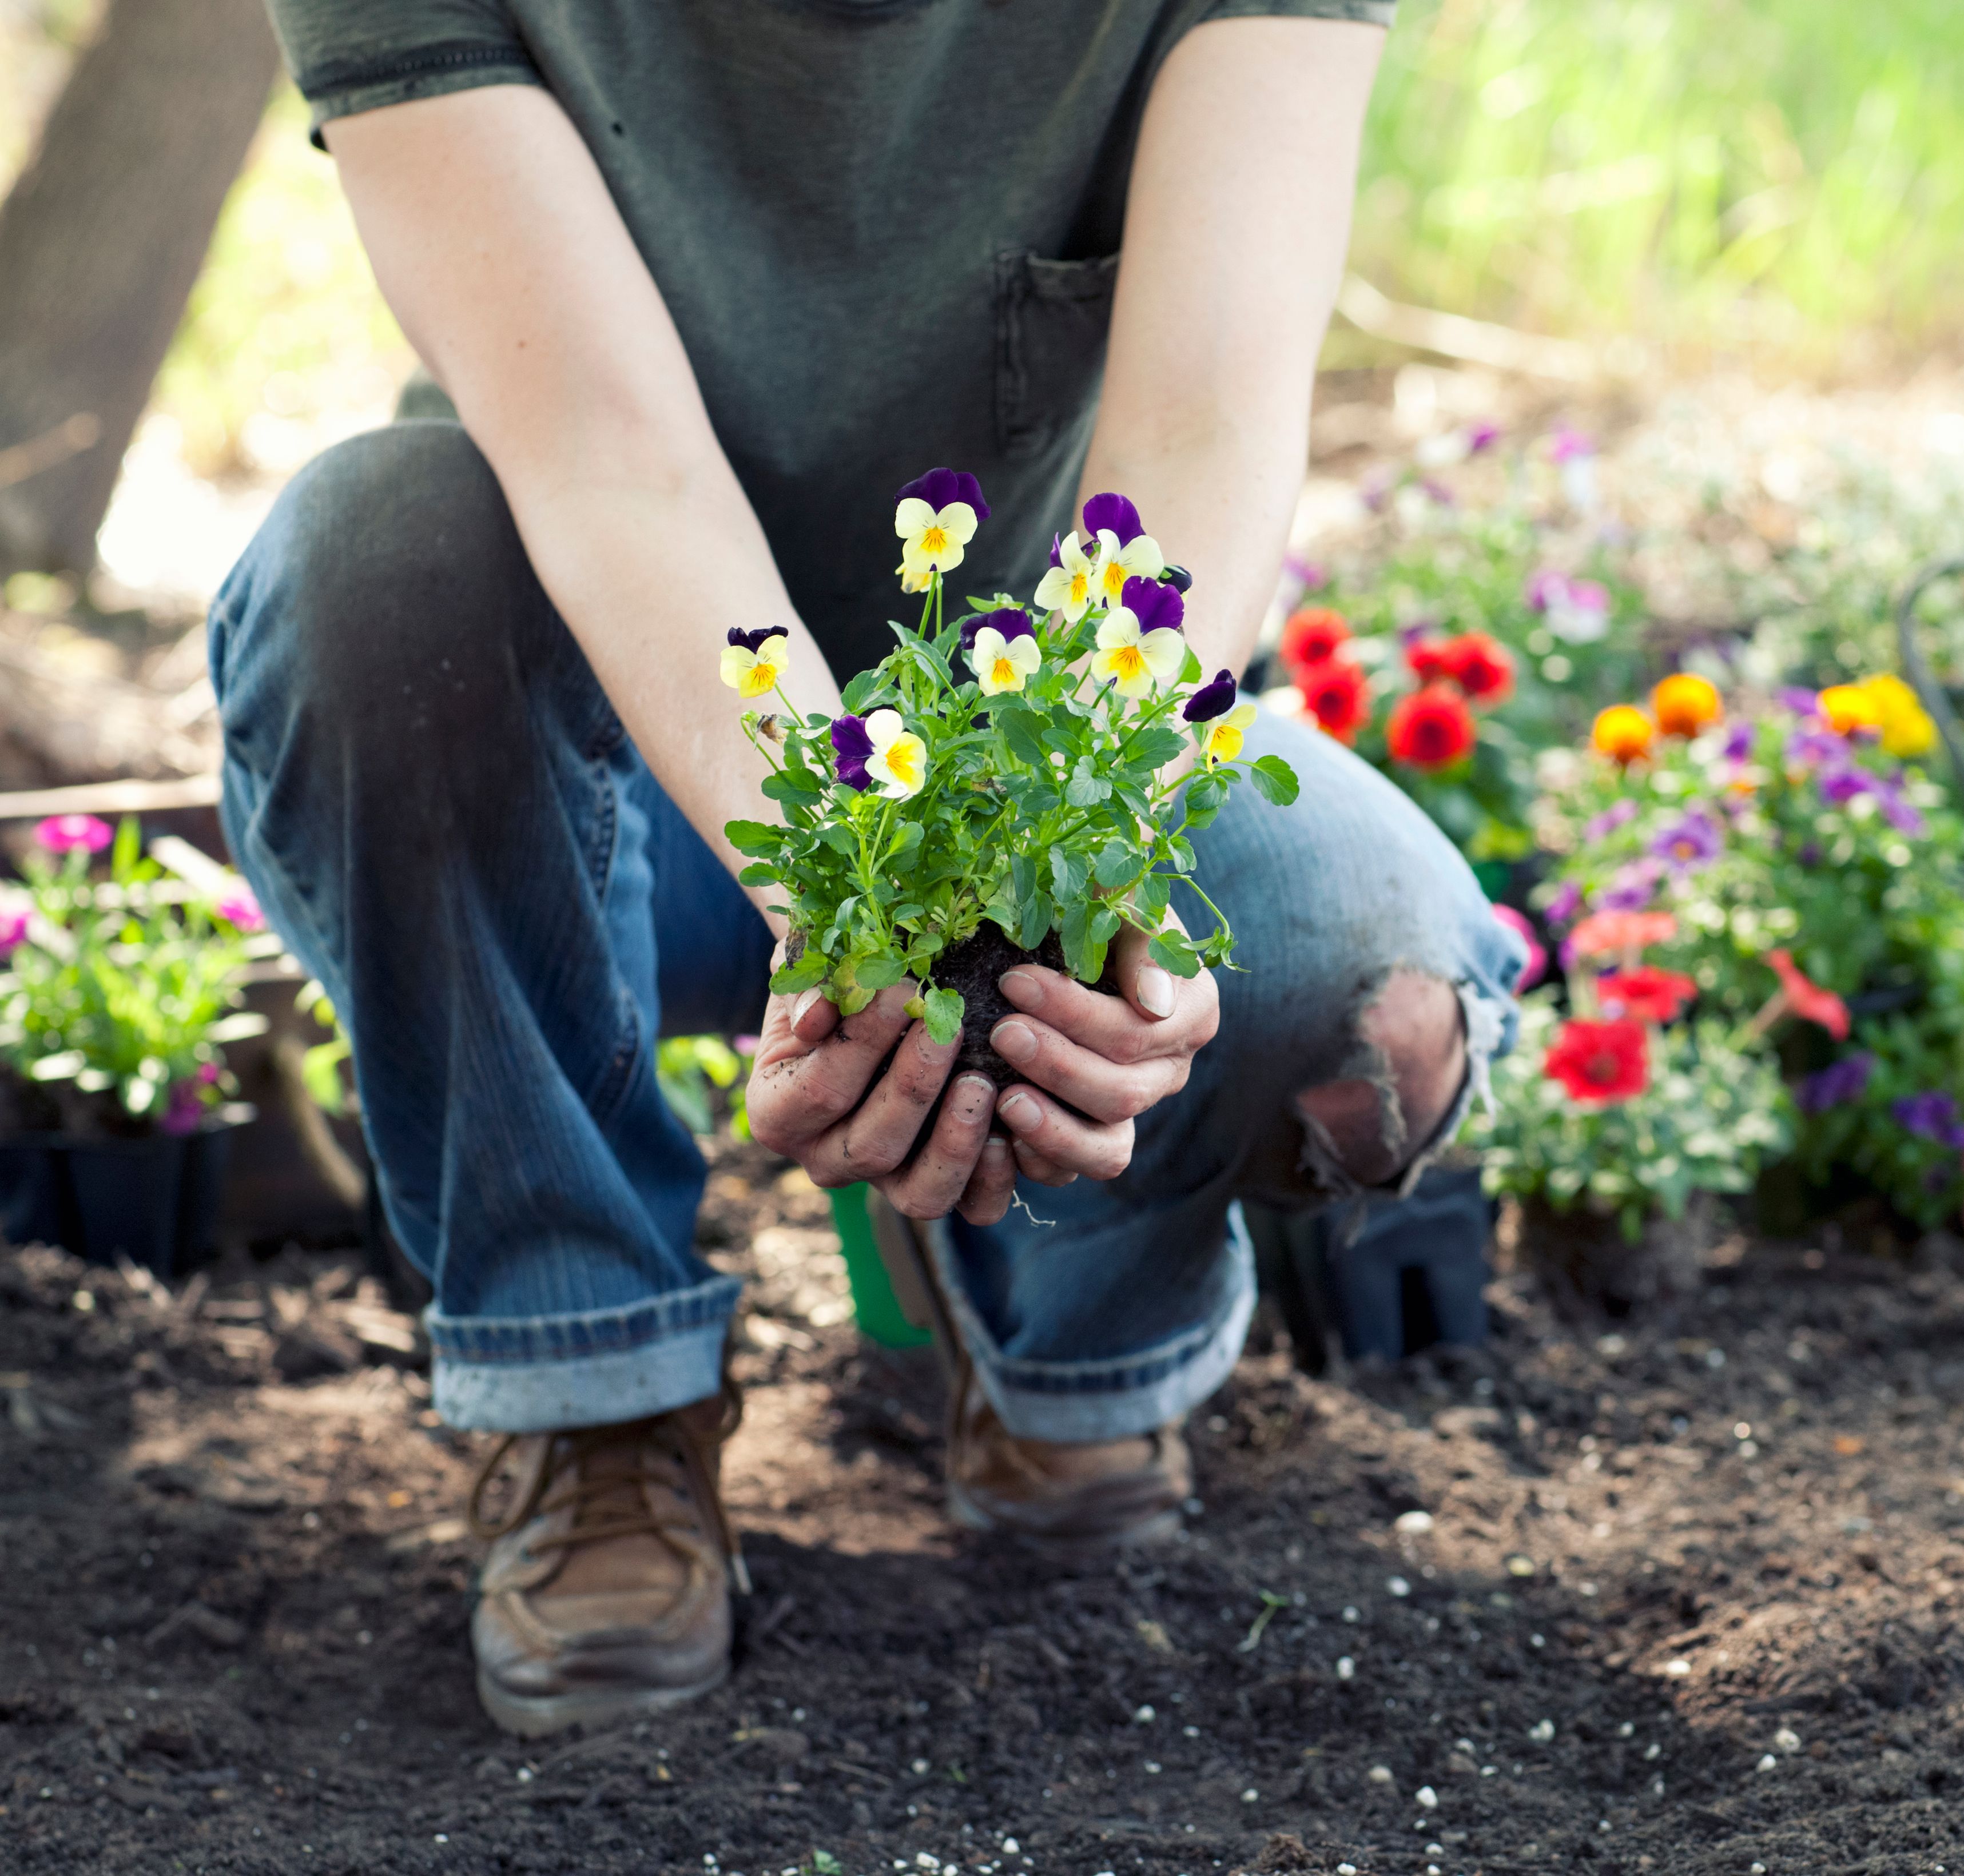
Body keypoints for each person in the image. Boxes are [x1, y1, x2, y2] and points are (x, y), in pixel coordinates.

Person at [221, 0, 1525, 1736]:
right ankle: (593, 1395)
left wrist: (1063, 894)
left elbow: (1201, 430)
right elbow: (611, 459)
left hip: (1031, 745)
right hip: (589, 767)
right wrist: (859, 911)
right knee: (369, 561)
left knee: (1362, 958)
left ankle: (1067, 1350)